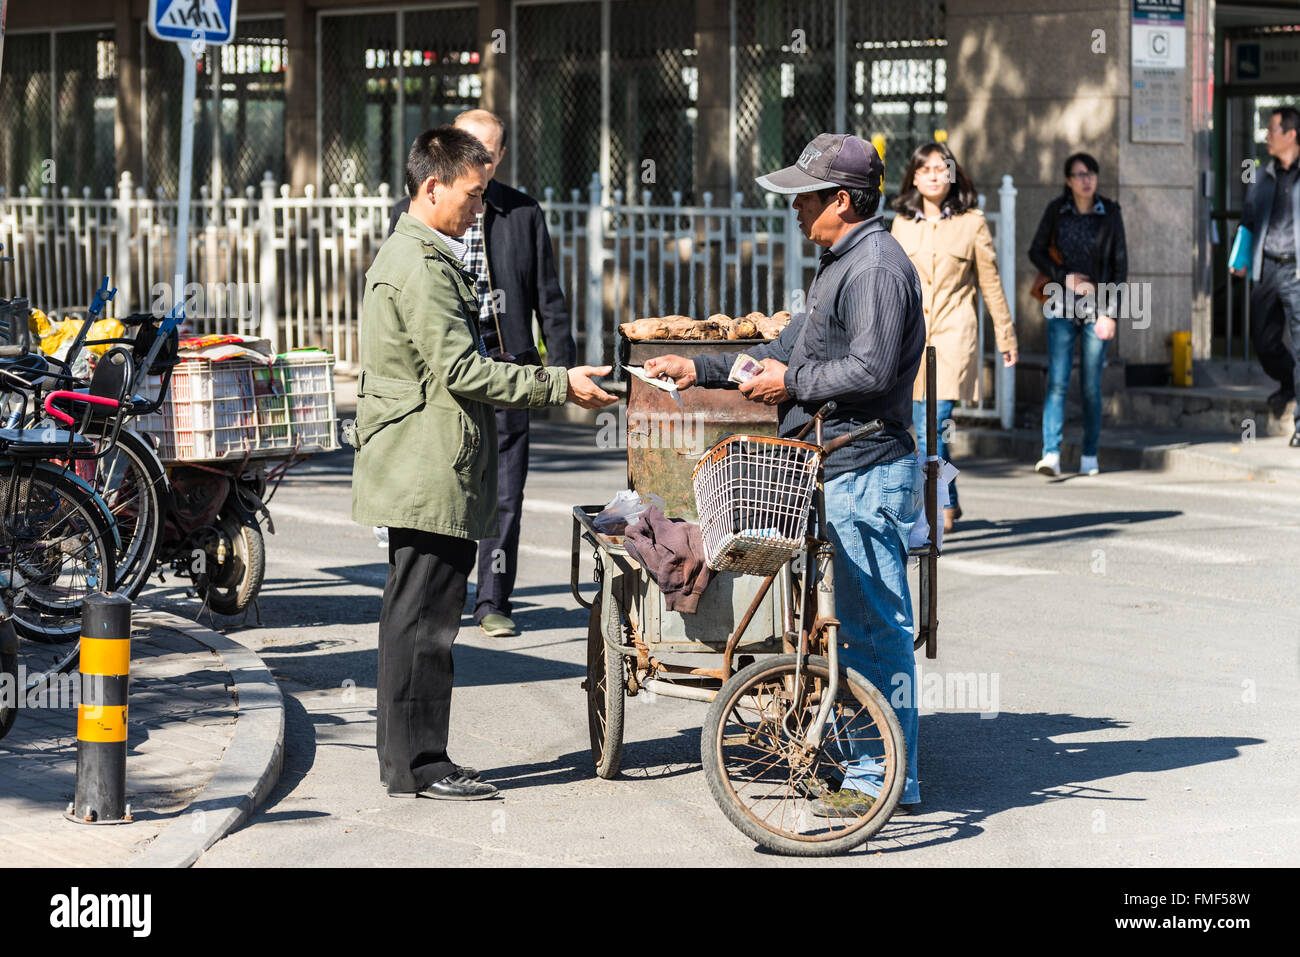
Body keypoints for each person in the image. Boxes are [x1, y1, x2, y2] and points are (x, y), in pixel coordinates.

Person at [644, 133, 927, 815]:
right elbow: (779, 351)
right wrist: (702, 367)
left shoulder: (877, 267)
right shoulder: (839, 262)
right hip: (832, 467)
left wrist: (791, 380)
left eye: (805, 196)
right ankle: (863, 753)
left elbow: (871, 370)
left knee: (875, 625)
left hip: (865, 463)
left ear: (841, 199)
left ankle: (884, 778)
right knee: (841, 623)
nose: (794, 209)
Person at [351, 126, 616, 801]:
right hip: (425, 463)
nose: (479, 208)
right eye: (472, 194)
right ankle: (420, 764)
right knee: (423, 624)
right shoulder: (418, 264)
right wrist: (560, 384)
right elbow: (465, 371)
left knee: (415, 618)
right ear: (432, 186)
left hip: (427, 458)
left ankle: (408, 761)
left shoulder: (426, 253)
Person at [389, 109, 579, 636]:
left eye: (488, 154)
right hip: (442, 371)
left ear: (500, 158)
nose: (479, 160)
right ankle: (432, 595)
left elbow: (549, 297)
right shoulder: (415, 217)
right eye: (468, 147)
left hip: (507, 363)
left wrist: (560, 372)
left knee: (505, 491)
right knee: (443, 483)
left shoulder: (521, 212)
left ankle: (493, 599)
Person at [890, 142, 1018, 531]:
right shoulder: (901, 223)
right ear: (913, 176)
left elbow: (990, 283)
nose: (933, 174)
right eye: (924, 169)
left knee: (936, 422)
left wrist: (1007, 336)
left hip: (954, 335)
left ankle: (933, 508)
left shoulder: (972, 222)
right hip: (912, 336)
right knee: (920, 424)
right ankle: (950, 498)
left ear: (952, 174)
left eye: (940, 168)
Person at [1028, 151, 1127, 477]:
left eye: (1091, 174)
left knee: (1090, 385)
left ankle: (1088, 453)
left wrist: (1110, 313)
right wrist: (1062, 276)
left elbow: (1119, 265)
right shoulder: (1057, 210)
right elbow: (1036, 250)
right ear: (1068, 180)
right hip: (1060, 303)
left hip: (1098, 308)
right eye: (1079, 174)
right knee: (1057, 381)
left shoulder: (1110, 213)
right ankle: (1051, 454)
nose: (1086, 180)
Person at [1230, 106, 1300, 445]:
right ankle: (1290, 382)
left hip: (1297, 269)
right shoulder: (1261, 175)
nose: (1266, 137)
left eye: (1272, 130)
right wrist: (1240, 256)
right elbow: (1247, 218)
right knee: (1265, 340)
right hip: (1268, 267)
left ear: (1291, 135)